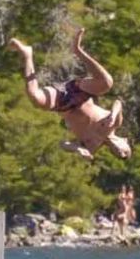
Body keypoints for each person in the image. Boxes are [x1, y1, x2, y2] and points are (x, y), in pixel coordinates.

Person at [7, 28, 131, 161]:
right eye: (125, 151)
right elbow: (118, 103)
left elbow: (63, 144)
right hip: (81, 92)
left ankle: (27, 54)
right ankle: (78, 50)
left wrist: (77, 149)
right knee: (107, 83)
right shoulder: (115, 123)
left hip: (63, 104)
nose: (121, 153)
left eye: (119, 155)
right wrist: (113, 114)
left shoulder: (91, 147)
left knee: (35, 98)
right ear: (125, 140)